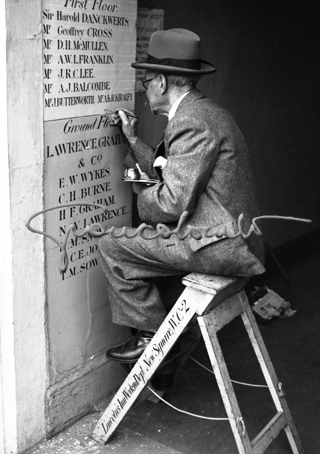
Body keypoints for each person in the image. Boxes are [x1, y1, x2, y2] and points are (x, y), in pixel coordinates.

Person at [98, 28, 265, 363]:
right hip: (231, 237)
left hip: (220, 245)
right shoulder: (205, 112)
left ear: (161, 82)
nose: (145, 90)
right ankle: (167, 349)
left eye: (145, 82)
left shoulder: (191, 122)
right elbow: (175, 171)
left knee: (111, 245)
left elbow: (172, 201)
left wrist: (140, 195)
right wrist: (132, 138)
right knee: (152, 255)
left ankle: (153, 340)